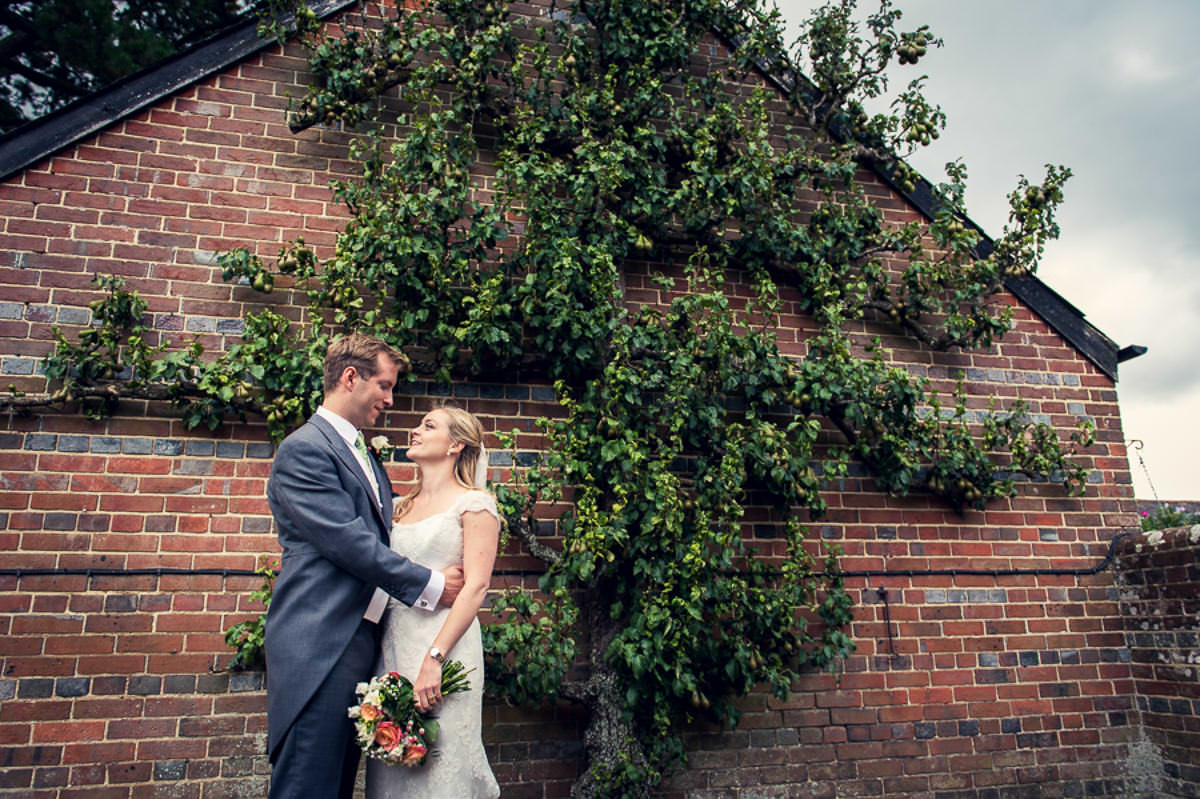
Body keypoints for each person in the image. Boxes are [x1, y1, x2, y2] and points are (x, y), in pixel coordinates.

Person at [264, 333, 465, 799]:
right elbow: (348, 543)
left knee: (335, 786)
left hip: (359, 642)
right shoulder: (304, 449)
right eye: (385, 385)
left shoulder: (362, 453)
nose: (391, 400)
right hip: (320, 642)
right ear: (350, 377)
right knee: (307, 784)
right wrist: (430, 584)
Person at [366, 404, 501, 799]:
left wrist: (435, 657)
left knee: (441, 769)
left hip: (445, 649)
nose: (416, 431)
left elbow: (475, 588)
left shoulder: (475, 505)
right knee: (394, 765)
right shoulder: (400, 508)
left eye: (428, 426)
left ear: (455, 444)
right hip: (394, 647)